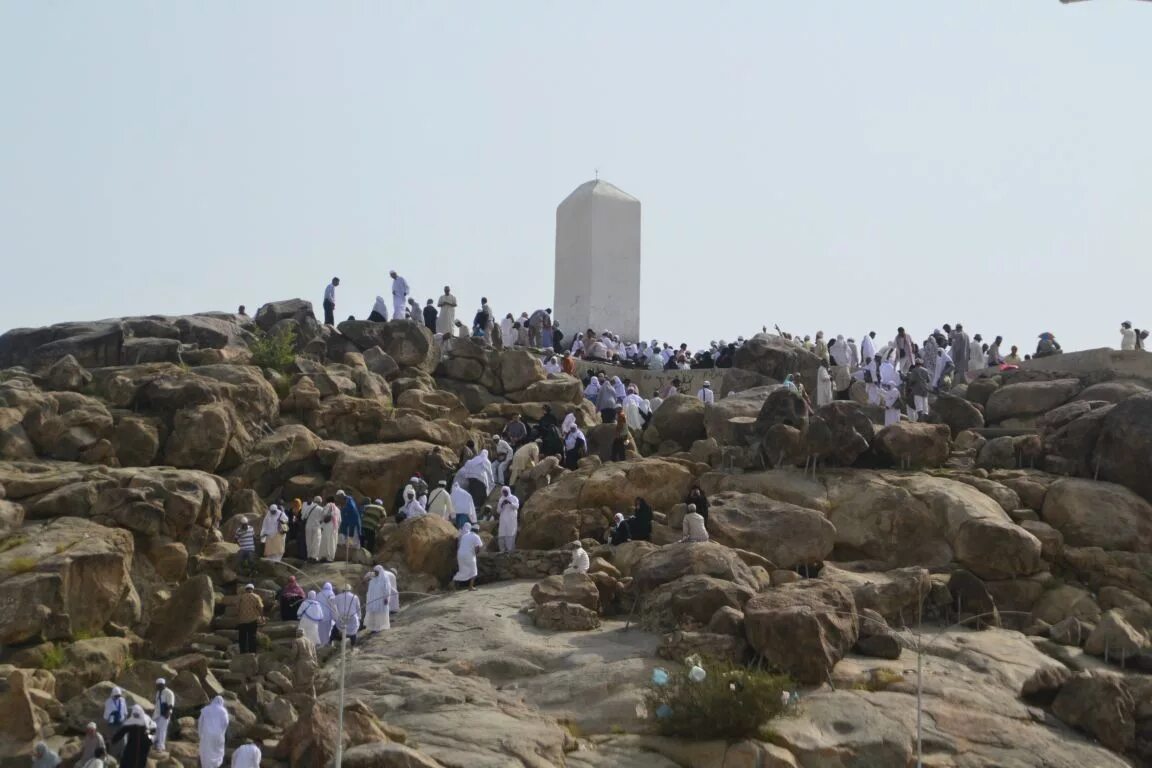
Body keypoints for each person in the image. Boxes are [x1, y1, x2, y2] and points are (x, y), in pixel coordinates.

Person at [197, 696, 229, 768]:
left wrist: (200, 734)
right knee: (217, 752)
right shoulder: (223, 710)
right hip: (218, 736)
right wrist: (221, 731)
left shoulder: (206, 709)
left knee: (206, 752)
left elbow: (200, 722)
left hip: (206, 735)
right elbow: (226, 722)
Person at [453, 522, 484, 591]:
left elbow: (459, 544)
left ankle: (454, 584)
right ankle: (471, 587)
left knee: (462, 570)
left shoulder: (465, 535)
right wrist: (476, 553)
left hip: (460, 555)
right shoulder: (476, 536)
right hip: (469, 555)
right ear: (477, 531)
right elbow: (477, 547)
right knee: (474, 571)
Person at [236, 583, 264, 655]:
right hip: (252, 619)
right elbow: (260, 607)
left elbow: (237, 608)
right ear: (252, 589)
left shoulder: (241, 597)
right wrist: (261, 617)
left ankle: (243, 652)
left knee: (242, 637)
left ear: (246, 589)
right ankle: (252, 652)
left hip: (242, 620)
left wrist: (238, 617)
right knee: (252, 636)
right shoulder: (256, 597)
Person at [364, 565, 393, 633]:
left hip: (381, 600)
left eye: (376, 571)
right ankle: (373, 627)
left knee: (379, 613)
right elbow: (365, 580)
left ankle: (379, 627)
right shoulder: (373, 579)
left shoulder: (384, 579)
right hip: (373, 600)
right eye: (375, 571)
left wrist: (386, 598)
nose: (375, 573)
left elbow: (387, 590)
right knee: (373, 613)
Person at [152, 678, 175, 751]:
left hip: (165, 714)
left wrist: (168, 713)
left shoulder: (169, 692)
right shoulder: (158, 692)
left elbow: (170, 704)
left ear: (162, 685)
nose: (157, 687)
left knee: (162, 730)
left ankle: (160, 747)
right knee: (155, 730)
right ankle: (154, 744)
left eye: (158, 685)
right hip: (157, 714)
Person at [497, 486, 519, 552]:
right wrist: (502, 505)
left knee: (510, 535)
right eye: (503, 492)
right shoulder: (501, 499)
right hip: (503, 520)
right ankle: (502, 551)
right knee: (502, 535)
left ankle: (510, 551)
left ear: (508, 491)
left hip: (511, 520)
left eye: (506, 491)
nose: (504, 493)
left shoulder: (514, 498)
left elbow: (517, 506)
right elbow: (498, 511)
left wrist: (510, 502)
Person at [301, 496, 324, 562]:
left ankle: (309, 557)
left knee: (309, 542)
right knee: (316, 542)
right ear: (320, 502)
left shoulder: (308, 508)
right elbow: (322, 519)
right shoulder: (321, 509)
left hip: (308, 527)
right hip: (316, 527)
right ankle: (314, 557)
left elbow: (303, 517)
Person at [320, 496, 340, 562]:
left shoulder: (327, 506)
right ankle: (331, 558)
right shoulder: (337, 509)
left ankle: (324, 556)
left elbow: (323, 516)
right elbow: (339, 520)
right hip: (335, 528)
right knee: (333, 542)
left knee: (325, 541)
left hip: (327, 527)